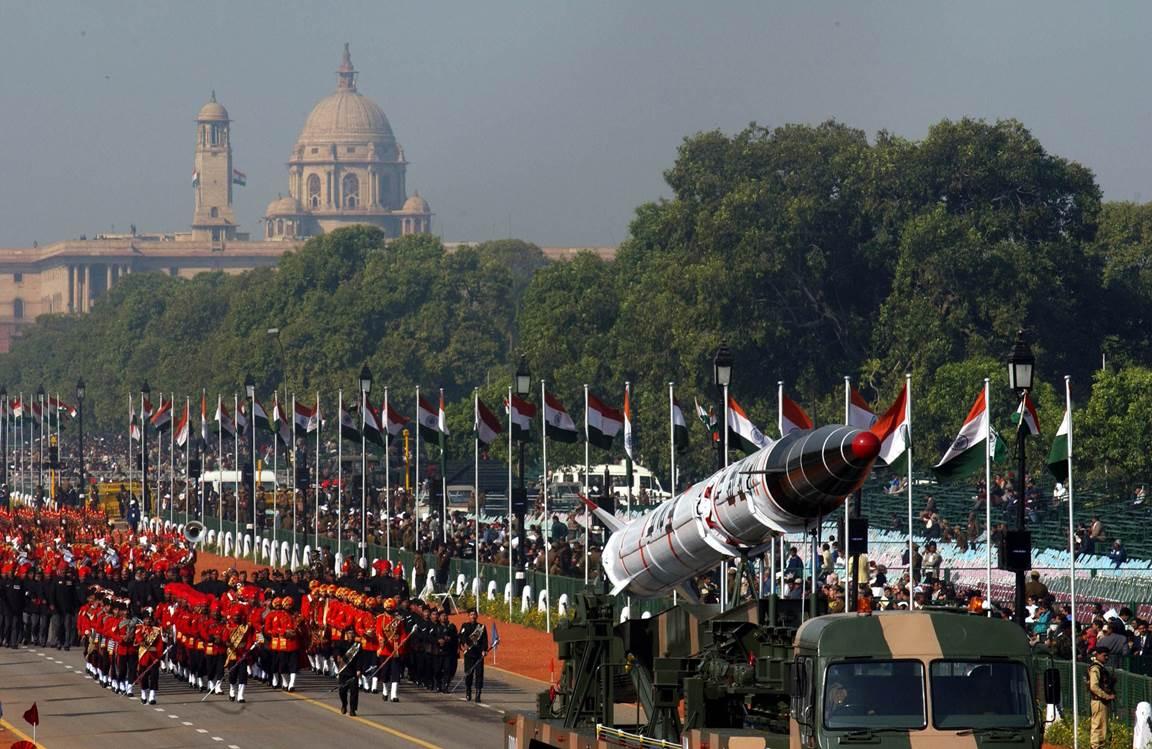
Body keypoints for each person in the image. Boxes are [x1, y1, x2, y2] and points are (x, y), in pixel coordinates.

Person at [1087, 646, 1116, 749]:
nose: (1106, 657)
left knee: (1102, 729)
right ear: (1097, 655)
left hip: (1101, 702)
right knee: (1098, 728)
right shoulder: (1096, 668)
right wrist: (1106, 696)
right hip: (1099, 702)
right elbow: (1093, 686)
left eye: (1108, 655)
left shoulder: (1101, 668)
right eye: (1104, 655)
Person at [458, 608, 488, 702]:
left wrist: (484, 650)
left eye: (474, 614)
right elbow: (461, 637)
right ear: (468, 616)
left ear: (477, 616)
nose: (473, 616)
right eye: (471, 615)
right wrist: (464, 644)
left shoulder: (481, 627)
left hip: (478, 654)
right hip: (469, 654)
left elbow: (484, 640)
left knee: (479, 675)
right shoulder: (465, 626)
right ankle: (468, 691)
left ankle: (478, 694)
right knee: (469, 674)